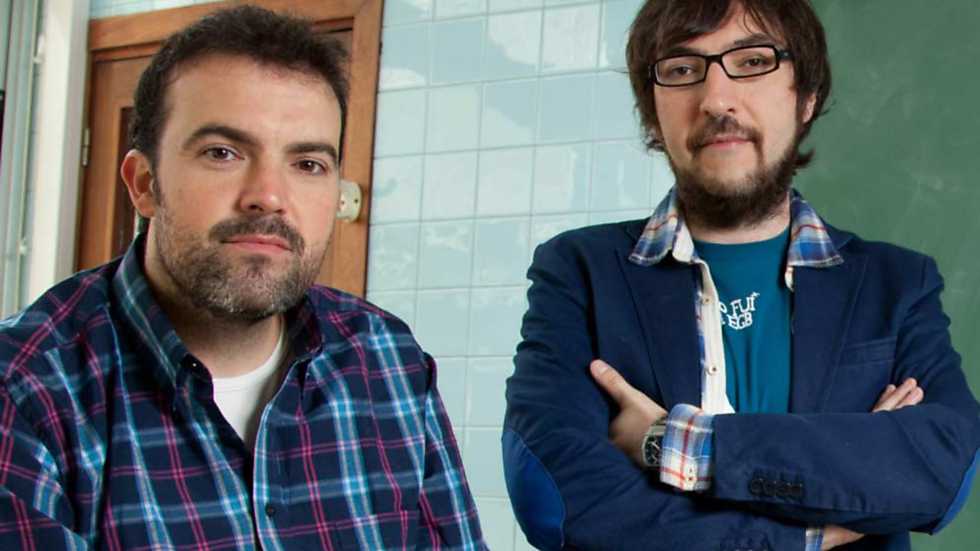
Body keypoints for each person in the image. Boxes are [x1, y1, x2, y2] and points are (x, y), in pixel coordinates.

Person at [0, 6, 485, 549]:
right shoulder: (24, 390)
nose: (270, 196)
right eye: (223, 153)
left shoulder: (390, 362)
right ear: (143, 184)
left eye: (308, 164)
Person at [503, 0, 980, 549]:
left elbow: (942, 471)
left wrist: (673, 443)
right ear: (652, 108)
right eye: (682, 69)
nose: (715, 99)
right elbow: (554, 498)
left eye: (753, 62)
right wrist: (808, 533)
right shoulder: (579, 272)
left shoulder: (896, 284)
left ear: (806, 96)